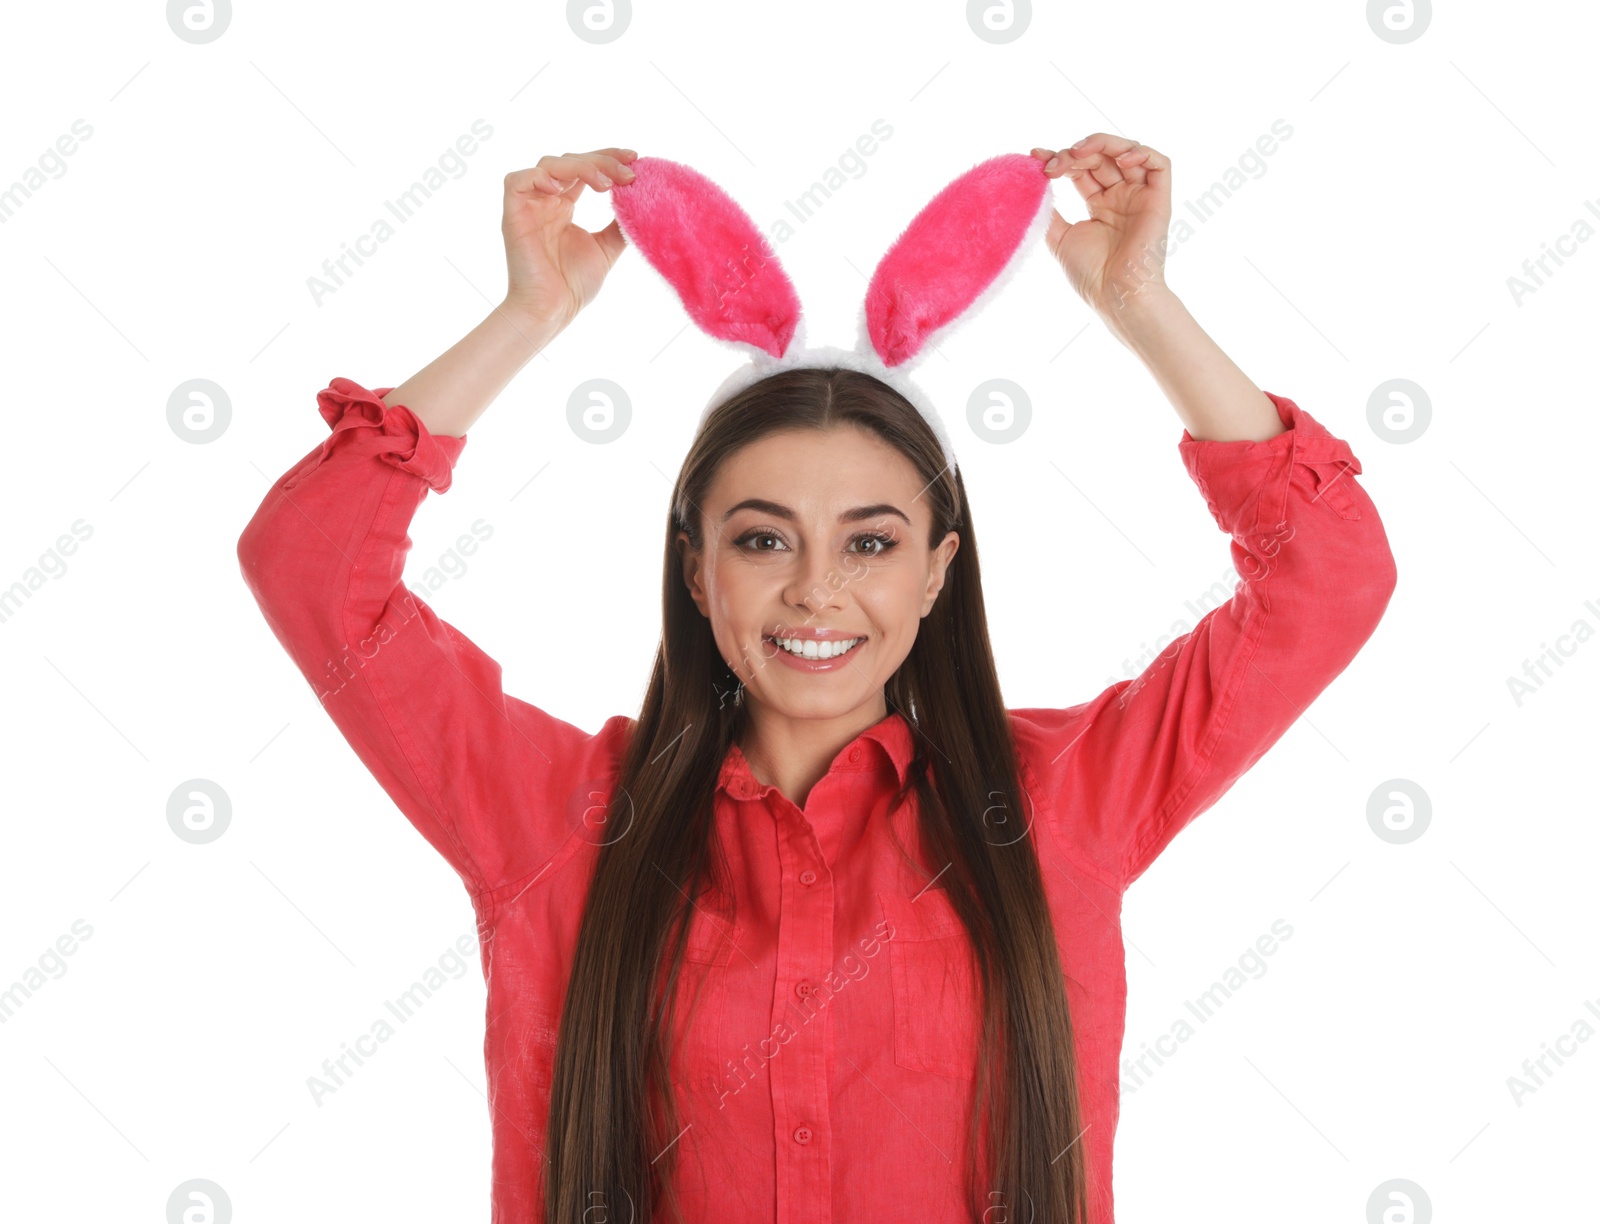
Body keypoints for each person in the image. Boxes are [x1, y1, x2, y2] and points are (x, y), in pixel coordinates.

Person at [236, 137, 1398, 1224]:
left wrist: (1139, 306)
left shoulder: (1066, 800)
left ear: (941, 570)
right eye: (761, 538)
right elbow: (308, 566)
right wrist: (528, 315)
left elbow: (1326, 583)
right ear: (696, 572)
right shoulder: (550, 815)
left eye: (872, 541)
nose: (815, 591)